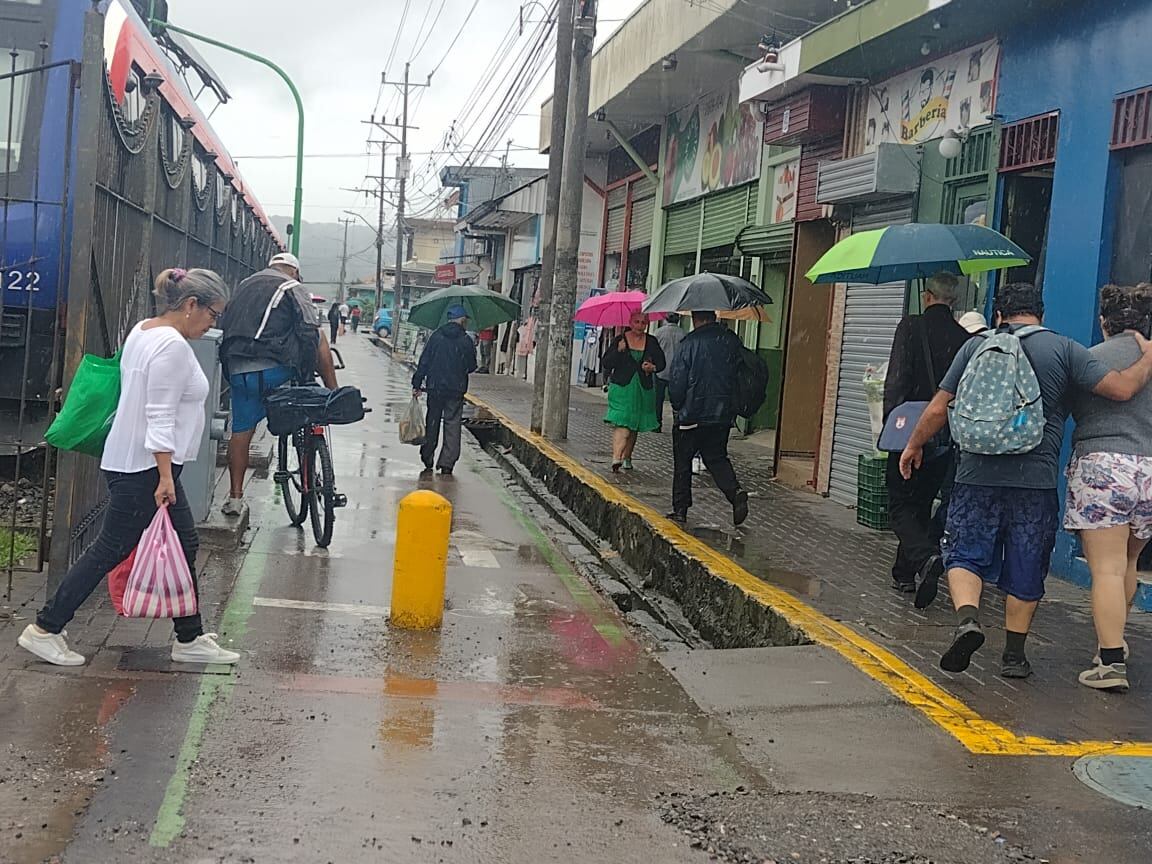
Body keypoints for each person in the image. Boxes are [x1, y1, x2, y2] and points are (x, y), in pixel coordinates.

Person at [900, 282, 1152, 679]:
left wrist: (913, 445)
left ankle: (968, 618)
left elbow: (937, 407)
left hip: (975, 474)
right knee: (1026, 561)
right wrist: (1146, 356)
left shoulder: (975, 346)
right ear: (1040, 314)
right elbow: (1121, 389)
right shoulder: (1064, 349)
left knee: (964, 551)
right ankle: (1015, 655)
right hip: (1034, 480)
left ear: (999, 314)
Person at [18, 269, 239, 667]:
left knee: (185, 541)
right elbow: (159, 415)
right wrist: (166, 476)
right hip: (146, 467)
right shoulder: (171, 347)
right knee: (110, 547)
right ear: (191, 305)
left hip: (137, 461)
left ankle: (189, 637)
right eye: (212, 314)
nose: (212, 323)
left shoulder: (144, 330)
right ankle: (45, 628)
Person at [1066, 284, 1152, 691]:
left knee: (1106, 567)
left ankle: (1111, 663)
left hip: (1103, 467)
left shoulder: (1090, 359)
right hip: (1149, 469)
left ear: (1104, 322)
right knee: (1129, 564)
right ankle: (1109, 645)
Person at [218, 252, 338, 517]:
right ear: (294, 271)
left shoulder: (243, 286)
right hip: (276, 371)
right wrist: (309, 372)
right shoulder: (293, 287)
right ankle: (333, 394)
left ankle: (235, 498)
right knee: (319, 337)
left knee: (241, 433)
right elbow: (308, 330)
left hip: (239, 371)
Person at [882, 272, 971, 603]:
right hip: (944, 434)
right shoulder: (964, 338)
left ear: (927, 295)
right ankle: (904, 574)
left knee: (899, 503)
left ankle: (924, 558)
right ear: (954, 300)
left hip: (910, 429)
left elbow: (896, 381)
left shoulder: (910, 327)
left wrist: (896, 433)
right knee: (920, 502)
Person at [667, 311, 749, 527]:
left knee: (683, 461)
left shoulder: (689, 343)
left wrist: (677, 406)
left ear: (695, 319)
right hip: (721, 415)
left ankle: (681, 509)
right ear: (714, 317)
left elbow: (677, 381)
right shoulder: (732, 341)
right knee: (716, 457)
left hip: (692, 415)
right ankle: (735, 492)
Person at [412, 305, 477, 476]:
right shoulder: (466, 341)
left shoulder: (436, 337)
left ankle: (428, 456)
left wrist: (417, 383)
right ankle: (447, 463)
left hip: (435, 388)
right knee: (452, 424)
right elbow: (472, 367)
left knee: (432, 421)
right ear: (462, 320)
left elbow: (424, 361)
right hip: (456, 390)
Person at [602, 311, 665, 472]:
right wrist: (619, 351)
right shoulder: (620, 340)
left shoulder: (651, 342)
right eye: (636, 322)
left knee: (634, 424)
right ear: (630, 323)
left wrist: (653, 368)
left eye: (643, 323)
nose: (639, 326)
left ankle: (627, 457)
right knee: (623, 423)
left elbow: (662, 363)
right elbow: (606, 362)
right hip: (622, 388)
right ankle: (616, 457)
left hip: (642, 389)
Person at [654, 313, 685, 433]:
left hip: (660, 370)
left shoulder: (658, 333)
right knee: (676, 399)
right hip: (676, 372)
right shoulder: (683, 334)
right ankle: (677, 423)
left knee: (658, 399)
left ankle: (657, 424)